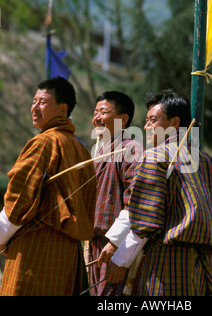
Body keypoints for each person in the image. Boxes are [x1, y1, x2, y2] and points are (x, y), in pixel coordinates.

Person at [106, 89, 212, 296]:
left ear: (174, 123)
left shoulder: (155, 156)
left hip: (168, 262)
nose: (146, 127)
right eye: (146, 121)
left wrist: (121, 260)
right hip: (203, 264)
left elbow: (145, 219)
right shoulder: (206, 160)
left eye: (152, 120)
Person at [0, 77, 97, 296]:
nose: (34, 107)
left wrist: (2, 235)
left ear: (62, 109)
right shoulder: (81, 149)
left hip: (37, 245)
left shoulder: (45, 142)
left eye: (43, 102)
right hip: (66, 253)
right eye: (34, 101)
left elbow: (20, 195)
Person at [87, 91, 143, 296]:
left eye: (104, 112)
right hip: (96, 244)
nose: (97, 118)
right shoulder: (99, 151)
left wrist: (114, 243)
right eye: (95, 112)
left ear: (123, 118)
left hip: (115, 246)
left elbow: (136, 200)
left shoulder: (131, 148)